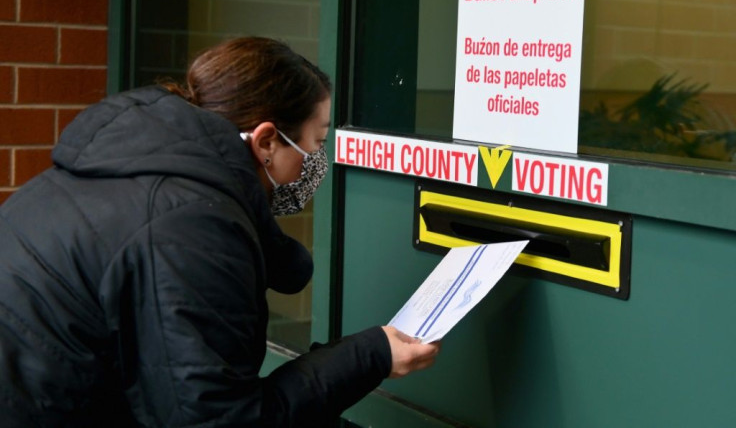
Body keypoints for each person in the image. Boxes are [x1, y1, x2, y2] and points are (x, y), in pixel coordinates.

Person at [0, 37, 440, 427]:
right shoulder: (190, 226)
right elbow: (218, 419)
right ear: (267, 141)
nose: (316, 162)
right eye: (317, 142)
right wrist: (368, 356)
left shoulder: (138, 173)